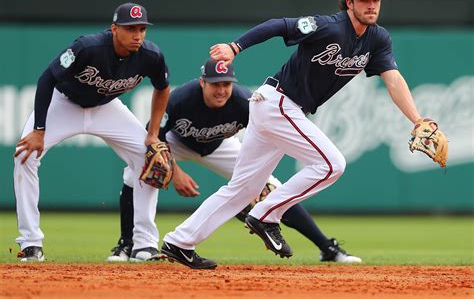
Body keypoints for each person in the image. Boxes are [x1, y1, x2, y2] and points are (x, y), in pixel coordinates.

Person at [159, 0, 431, 269]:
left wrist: (417, 120)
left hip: (277, 109)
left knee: (243, 188)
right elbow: (279, 25)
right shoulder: (328, 26)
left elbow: (393, 80)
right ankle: (265, 215)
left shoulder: (378, 39)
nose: (371, 5)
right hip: (278, 103)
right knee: (331, 164)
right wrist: (235, 48)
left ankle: (179, 242)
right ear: (349, 3)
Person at [106, 58, 361, 265]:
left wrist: (256, 179)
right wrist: (175, 171)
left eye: (226, 83)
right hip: (177, 144)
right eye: (215, 84)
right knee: (140, 168)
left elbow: (266, 134)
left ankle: (327, 248)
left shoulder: (243, 101)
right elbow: (154, 136)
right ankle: (134, 245)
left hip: (220, 146)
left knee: (270, 187)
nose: (221, 90)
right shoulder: (181, 98)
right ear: (202, 82)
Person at [13, 2, 170, 262]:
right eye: (131, 29)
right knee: (24, 155)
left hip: (106, 107)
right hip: (63, 104)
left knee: (148, 156)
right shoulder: (88, 47)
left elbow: (162, 87)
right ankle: (31, 243)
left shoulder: (151, 55)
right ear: (114, 29)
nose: (138, 35)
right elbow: (47, 78)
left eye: (142, 29)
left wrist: (153, 133)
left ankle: (144, 245)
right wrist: (39, 129)